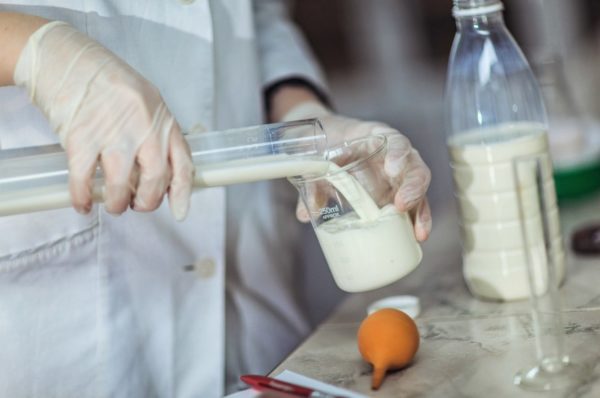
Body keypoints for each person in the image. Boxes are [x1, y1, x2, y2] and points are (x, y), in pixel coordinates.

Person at [0, 1, 432, 397]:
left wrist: (304, 122)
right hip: (66, 311)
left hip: (251, 308)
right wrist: (40, 53)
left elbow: (257, 20)